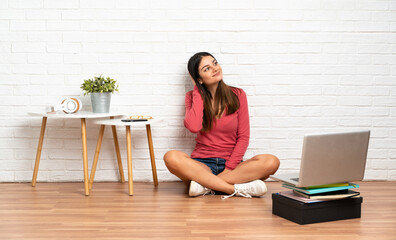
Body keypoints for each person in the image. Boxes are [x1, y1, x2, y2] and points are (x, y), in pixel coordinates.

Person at [163, 52, 280, 199]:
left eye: (215, 63)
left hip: (233, 166)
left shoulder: (237, 94)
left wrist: (229, 168)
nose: (214, 68)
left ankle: (205, 186)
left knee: (271, 161)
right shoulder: (191, 96)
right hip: (202, 165)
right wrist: (197, 91)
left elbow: (243, 137)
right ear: (198, 79)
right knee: (171, 157)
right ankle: (234, 189)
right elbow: (193, 126)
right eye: (206, 68)